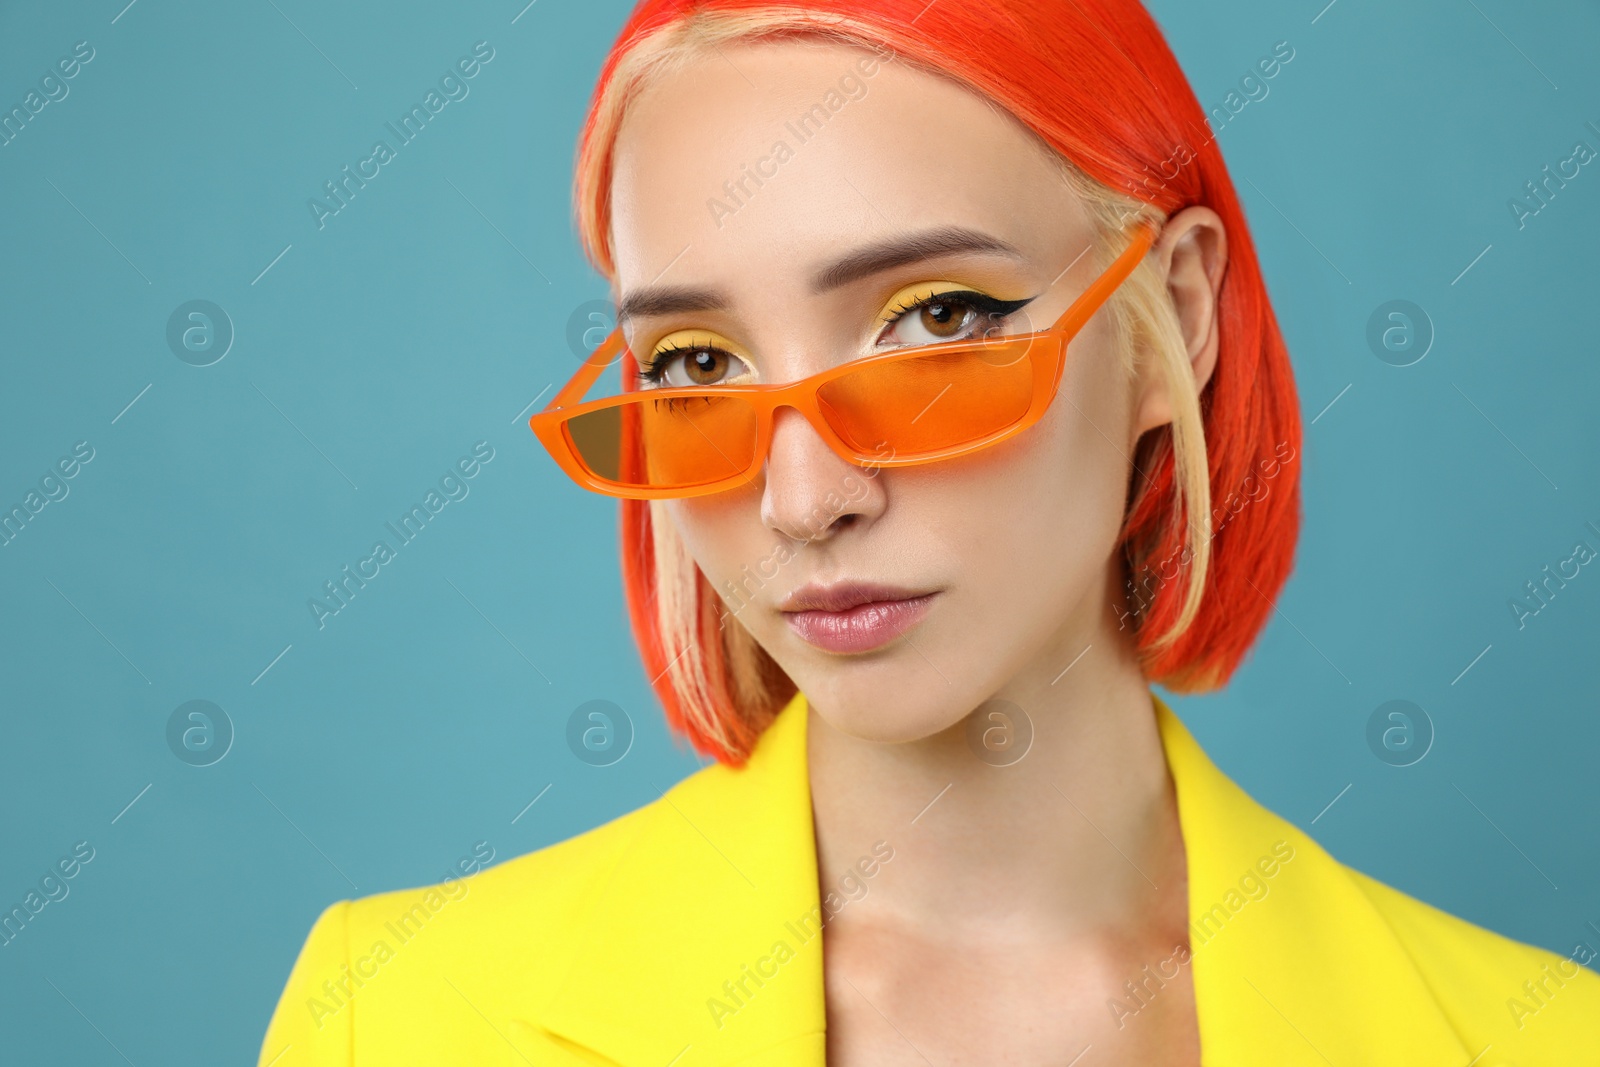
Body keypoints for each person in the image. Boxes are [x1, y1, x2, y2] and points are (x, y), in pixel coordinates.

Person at [258, 1, 1600, 1063]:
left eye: (940, 319)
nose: (804, 499)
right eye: (695, 364)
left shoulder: (1535, 1041)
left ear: (1174, 321)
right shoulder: (402, 1021)